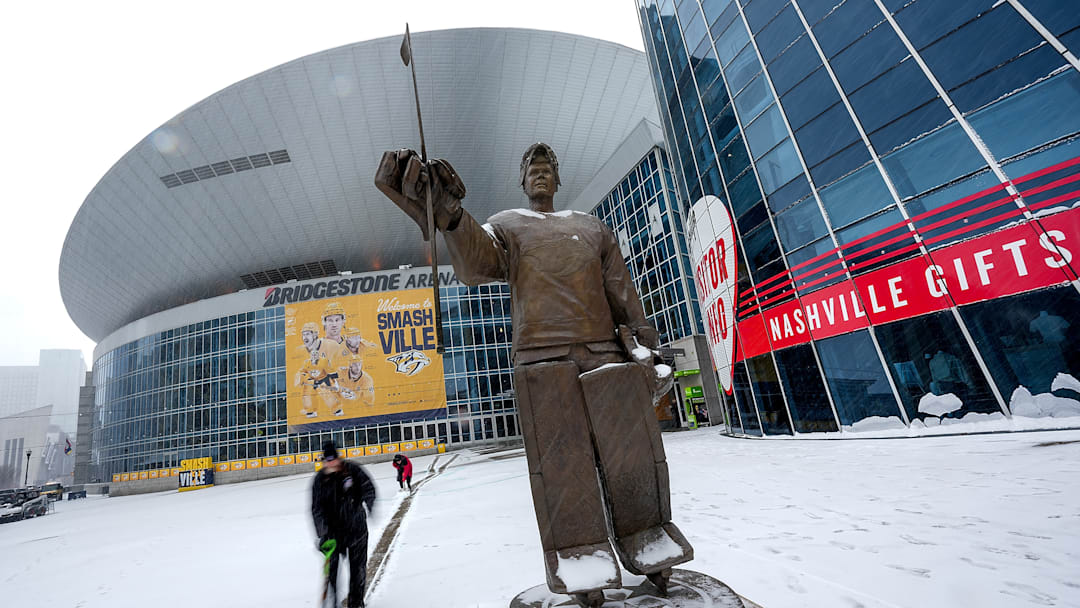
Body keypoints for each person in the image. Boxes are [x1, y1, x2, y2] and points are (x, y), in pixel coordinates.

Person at [376, 143, 691, 606]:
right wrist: (451, 216)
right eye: (532, 170)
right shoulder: (507, 226)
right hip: (541, 361)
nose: (540, 176)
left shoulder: (592, 228)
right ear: (522, 181)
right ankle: (581, 561)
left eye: (547, 169)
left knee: (633, 458)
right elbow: (476, 264)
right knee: (564, 471)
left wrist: (648, 344)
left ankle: (651, 544)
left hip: (605, 354)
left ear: (557, 179)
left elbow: (623, 291)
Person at [312, 441, 376, 608]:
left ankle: (356, 603)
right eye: (328, 460)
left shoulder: (352, 470)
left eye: (334, 459)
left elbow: (368, 487)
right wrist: (322, 532)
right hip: (333, 533)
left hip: (356, 529)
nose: (331, 463)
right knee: (331, 572)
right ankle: (333, 602)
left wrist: (369, 503)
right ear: (324, 460)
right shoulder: (320, 480)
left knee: (358, 570)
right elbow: (316, 509)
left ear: (338, 458)